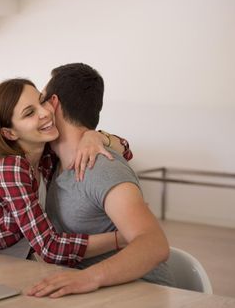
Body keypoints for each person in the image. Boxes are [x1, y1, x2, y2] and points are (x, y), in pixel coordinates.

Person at [0, 78, 131, 266]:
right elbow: (49, 248)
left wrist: (95, 136)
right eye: (29, 113)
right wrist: (121, 238)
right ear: (10, 133)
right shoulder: (11, 167)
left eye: (41, 101)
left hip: (4, 266)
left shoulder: (47, 156)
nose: (45, 113)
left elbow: (126, 150)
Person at [25, 63, 174, 297]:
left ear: (53, 103)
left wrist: (88, 277)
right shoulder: (51, 163)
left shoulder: (101, 167)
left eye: (42, 100)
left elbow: (155, 244)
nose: (39, 111)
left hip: (139, 295)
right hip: (86, 295)